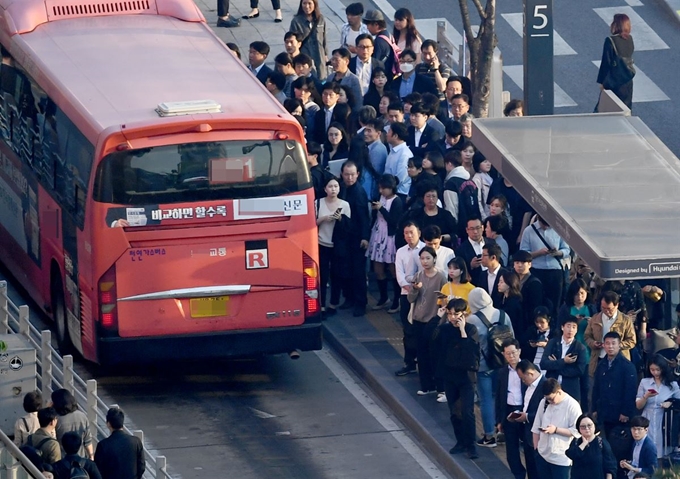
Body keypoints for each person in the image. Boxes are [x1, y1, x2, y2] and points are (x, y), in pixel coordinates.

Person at [467, 287, 515, 448]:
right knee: (503, 398)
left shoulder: (472, 319)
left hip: (483, 366)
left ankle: (489, 436)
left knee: (486, 399)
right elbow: (512, 339)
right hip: (504, 364)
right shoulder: (503, 314)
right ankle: (504, 430)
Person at [434, 298, 480, 459]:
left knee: (467, 411)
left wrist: (462, 332)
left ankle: (471, 444)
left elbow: (471, 354)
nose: (453, 317)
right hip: (449, 375)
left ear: (464, 314)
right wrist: (437, 319)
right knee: (454, 412)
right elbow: (430, 339)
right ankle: (460, 441)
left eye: (456, 314)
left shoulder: (471, 329)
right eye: (450, 314)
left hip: (466, 377)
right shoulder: (445, 329)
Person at [407, 246, 448, 395]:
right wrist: (415, 289)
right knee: (422, 353)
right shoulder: (418, 276)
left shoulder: (441, 277)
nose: (424, 261)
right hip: (419, 319)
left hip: (434, 320)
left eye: (428, 258)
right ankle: (426, 385)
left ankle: (439, 387)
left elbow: (445, 300)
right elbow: (410, 298)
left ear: (434, 259)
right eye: (422, 258)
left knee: (435, 354)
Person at [531, 378, 582, 479]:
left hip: (561, 458)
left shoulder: (572, 405)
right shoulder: (544, 402)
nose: (549, 402)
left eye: (551, 399)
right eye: (547, 399)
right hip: (542, 455)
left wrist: (556, 430)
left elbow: (577, 431)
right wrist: (536, 449)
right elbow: (536, 426)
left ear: (559, 392)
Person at [592, 332, 638, 442]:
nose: (610, 346)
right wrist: (594, 409)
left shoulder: (627, 366)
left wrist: (626, 412)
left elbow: (630, 391)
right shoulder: (601, 364)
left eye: (613, 343)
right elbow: (596, 388)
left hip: (620, 414)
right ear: (603, 345)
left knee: (619, 444)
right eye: (607, 343)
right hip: (604, 411)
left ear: (619, 345)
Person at [338, 161, 371, 316]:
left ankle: (360, 303)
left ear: (358, 174)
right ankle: (349, 298)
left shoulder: (359, 192)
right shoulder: (341, 187)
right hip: (344, 236)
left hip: (357, 237)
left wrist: (365, 237)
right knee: (345, 269)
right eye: (346, 174)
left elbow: (364, 216)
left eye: (352, 174)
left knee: (358, 272)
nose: (349, 177)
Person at [519, 215, 570, 313]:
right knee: (536, 303)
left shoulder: (559, 230)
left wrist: (558, 253)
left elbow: (567, 250)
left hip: (555, 271)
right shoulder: (529, 231)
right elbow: (523, 253)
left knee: (555, 304)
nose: (546, 227)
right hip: (536, 270)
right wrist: (538, 253)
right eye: (544, 225)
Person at [368, 174, 403, 310]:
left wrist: (381, 208)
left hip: (390, 237)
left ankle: (397, 300)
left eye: (384, 188)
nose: (381, 191)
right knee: (378, 267)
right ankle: (383, 297)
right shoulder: (380, 197)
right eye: (380, 188)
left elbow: (394, 221)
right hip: (377, 234)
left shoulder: (397, 201)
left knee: (392, 268)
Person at [635, 355, 680, 460]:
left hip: (664, 421)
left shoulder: (672, 384)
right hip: (647, 418)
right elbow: (638, 405)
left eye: (657, 370)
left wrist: (670, 403)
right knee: (647, 450)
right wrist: (645, 396)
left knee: (663, 450)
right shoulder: (644, 382)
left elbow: (678, 401)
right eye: (652, 370)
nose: (655, 373)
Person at [316, 177, 351, 314]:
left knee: (337, 275)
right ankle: (322, 304)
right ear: (325, 189)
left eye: (336, 186)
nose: (333, 189)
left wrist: (340, 219)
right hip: (321, 243)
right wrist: (324, 218)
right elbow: (311, 222)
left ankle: (333, 304)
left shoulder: (345, 205)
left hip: (338, 245)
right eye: (330, 186)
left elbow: (349, 227)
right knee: (323, 276)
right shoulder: (318, 203)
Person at [393, 222, 425, 370]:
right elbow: (400, 276)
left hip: (424, 296)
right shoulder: (401, 251)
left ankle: (423, 361)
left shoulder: (426, 249)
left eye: (411, 232)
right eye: (406, 233)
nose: (409, 236)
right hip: (406, 295)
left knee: (422, 330)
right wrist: (410, 289)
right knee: (408, 330)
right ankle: (409, 362)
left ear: (418, 232)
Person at [495, 339, 527, 479]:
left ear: (519, 351)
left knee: (529, 448)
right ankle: (519, 475)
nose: (511, 356)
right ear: (504, 355)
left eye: (513, 352)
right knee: (511, 451)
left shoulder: (528, 368)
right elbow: (499, 397)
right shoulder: (502, 372)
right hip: (509, 412)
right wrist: (499, 420)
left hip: (524, 411)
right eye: (508, 354)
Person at [585, 291, 637, 377]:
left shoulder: (625, 320)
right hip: (599, 358)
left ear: (617, 305)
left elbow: (632, 340)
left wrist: (617, 345)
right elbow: (587, 336)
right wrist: (593, 343)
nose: (606, 311)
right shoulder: (595, 318)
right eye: (603, 308)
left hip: (620, 360)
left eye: (609, 309)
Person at [540, 316, 587, 402]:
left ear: (577, 330)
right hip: (551, 387)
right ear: (562, 327)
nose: (571, 330)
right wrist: (563, 361)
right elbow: (543, 364)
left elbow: (579, 370)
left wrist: (556, 366)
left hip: (570, 388)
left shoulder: (580, 348)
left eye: (574, 327)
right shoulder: (552, 343)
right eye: (568, 326)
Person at [597, 13, 634, 110]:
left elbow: (606, 63)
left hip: (613, 81)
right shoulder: (629, 39)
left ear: (616, 25)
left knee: (606, 109)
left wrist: (601, 82)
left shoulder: (610, 41)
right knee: (624, 109)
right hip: (627, 81)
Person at [94, 407, 145, 479]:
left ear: (108, 424)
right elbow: (141, 466)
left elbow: (97, 471)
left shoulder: (103, 445)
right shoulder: (136, 442)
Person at [516, 360, 545, 479]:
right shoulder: (526, 387)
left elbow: (545, 414)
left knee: (539, 471)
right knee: (531, 469)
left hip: (540, 437)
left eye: (523, 378)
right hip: (527, 435)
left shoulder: (545, 387)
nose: (523, 381)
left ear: (530, 373)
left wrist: (527, 416)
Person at [565, 414, 617, 479]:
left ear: (594, 426)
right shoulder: (576, 442)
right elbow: (570, 454)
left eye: (589, 425)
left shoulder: (601, 443)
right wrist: (583, 444)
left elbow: (610, 465)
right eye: (583, 426)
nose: (587, 428)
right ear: (579, 429)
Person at [289, 0, 328, 81]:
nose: (306, 6)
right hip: (305, 57)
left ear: (315, 4)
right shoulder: (296, 21)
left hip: (319, 56)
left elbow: (324, 38)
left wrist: (325, 54)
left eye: (309, 3)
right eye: (304, 3)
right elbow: (292, 40)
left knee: (322, 80)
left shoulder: (320, 19)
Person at [52, 389, 94, 460]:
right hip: (80, 460)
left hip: (62, 460)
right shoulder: (82, 416)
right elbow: (87, 441)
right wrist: (91, 457)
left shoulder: (55, 420)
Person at [513, 250, 546, 329]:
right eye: (517, 263)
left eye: (523, 263)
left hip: (527, 323)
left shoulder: (534, 283)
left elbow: (535, 306)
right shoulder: (512, 280)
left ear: (529, 264)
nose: (520, 265)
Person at [454, 218, 487, 287]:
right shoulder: (461, 249)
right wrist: (471, 266)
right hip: (474, 283)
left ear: (483, 228)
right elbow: (459, 270)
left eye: (478, 228)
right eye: (472, 229)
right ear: (467, 230)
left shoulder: (491, 242)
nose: (475, 232)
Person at [362, 10, 396, 76]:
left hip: (382, 75)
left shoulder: (379, 41)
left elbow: (375, 63)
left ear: (376, 24)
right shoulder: (388, 35)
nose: (367, 27)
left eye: (368, 24)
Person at [384, 122, 413, 200]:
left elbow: (399, 179)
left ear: (395, 136)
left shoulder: (404, 154)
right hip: (388, 192)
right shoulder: (393, 150)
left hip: (398, 194)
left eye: (389, 131)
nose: (387, 134)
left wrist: (388, 189)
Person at [479, 242, 506, 307]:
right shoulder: (482, 275)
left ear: (493, 257)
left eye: (484, 255)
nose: (481, 258)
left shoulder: (506, 275)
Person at [472, 153, 493, 220]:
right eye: (485, 161)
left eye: (489, 161)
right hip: (485, 214)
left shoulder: (489, 176)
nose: (488, 164)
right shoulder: (477, 179)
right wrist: (484, 217)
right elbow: (478, 200)